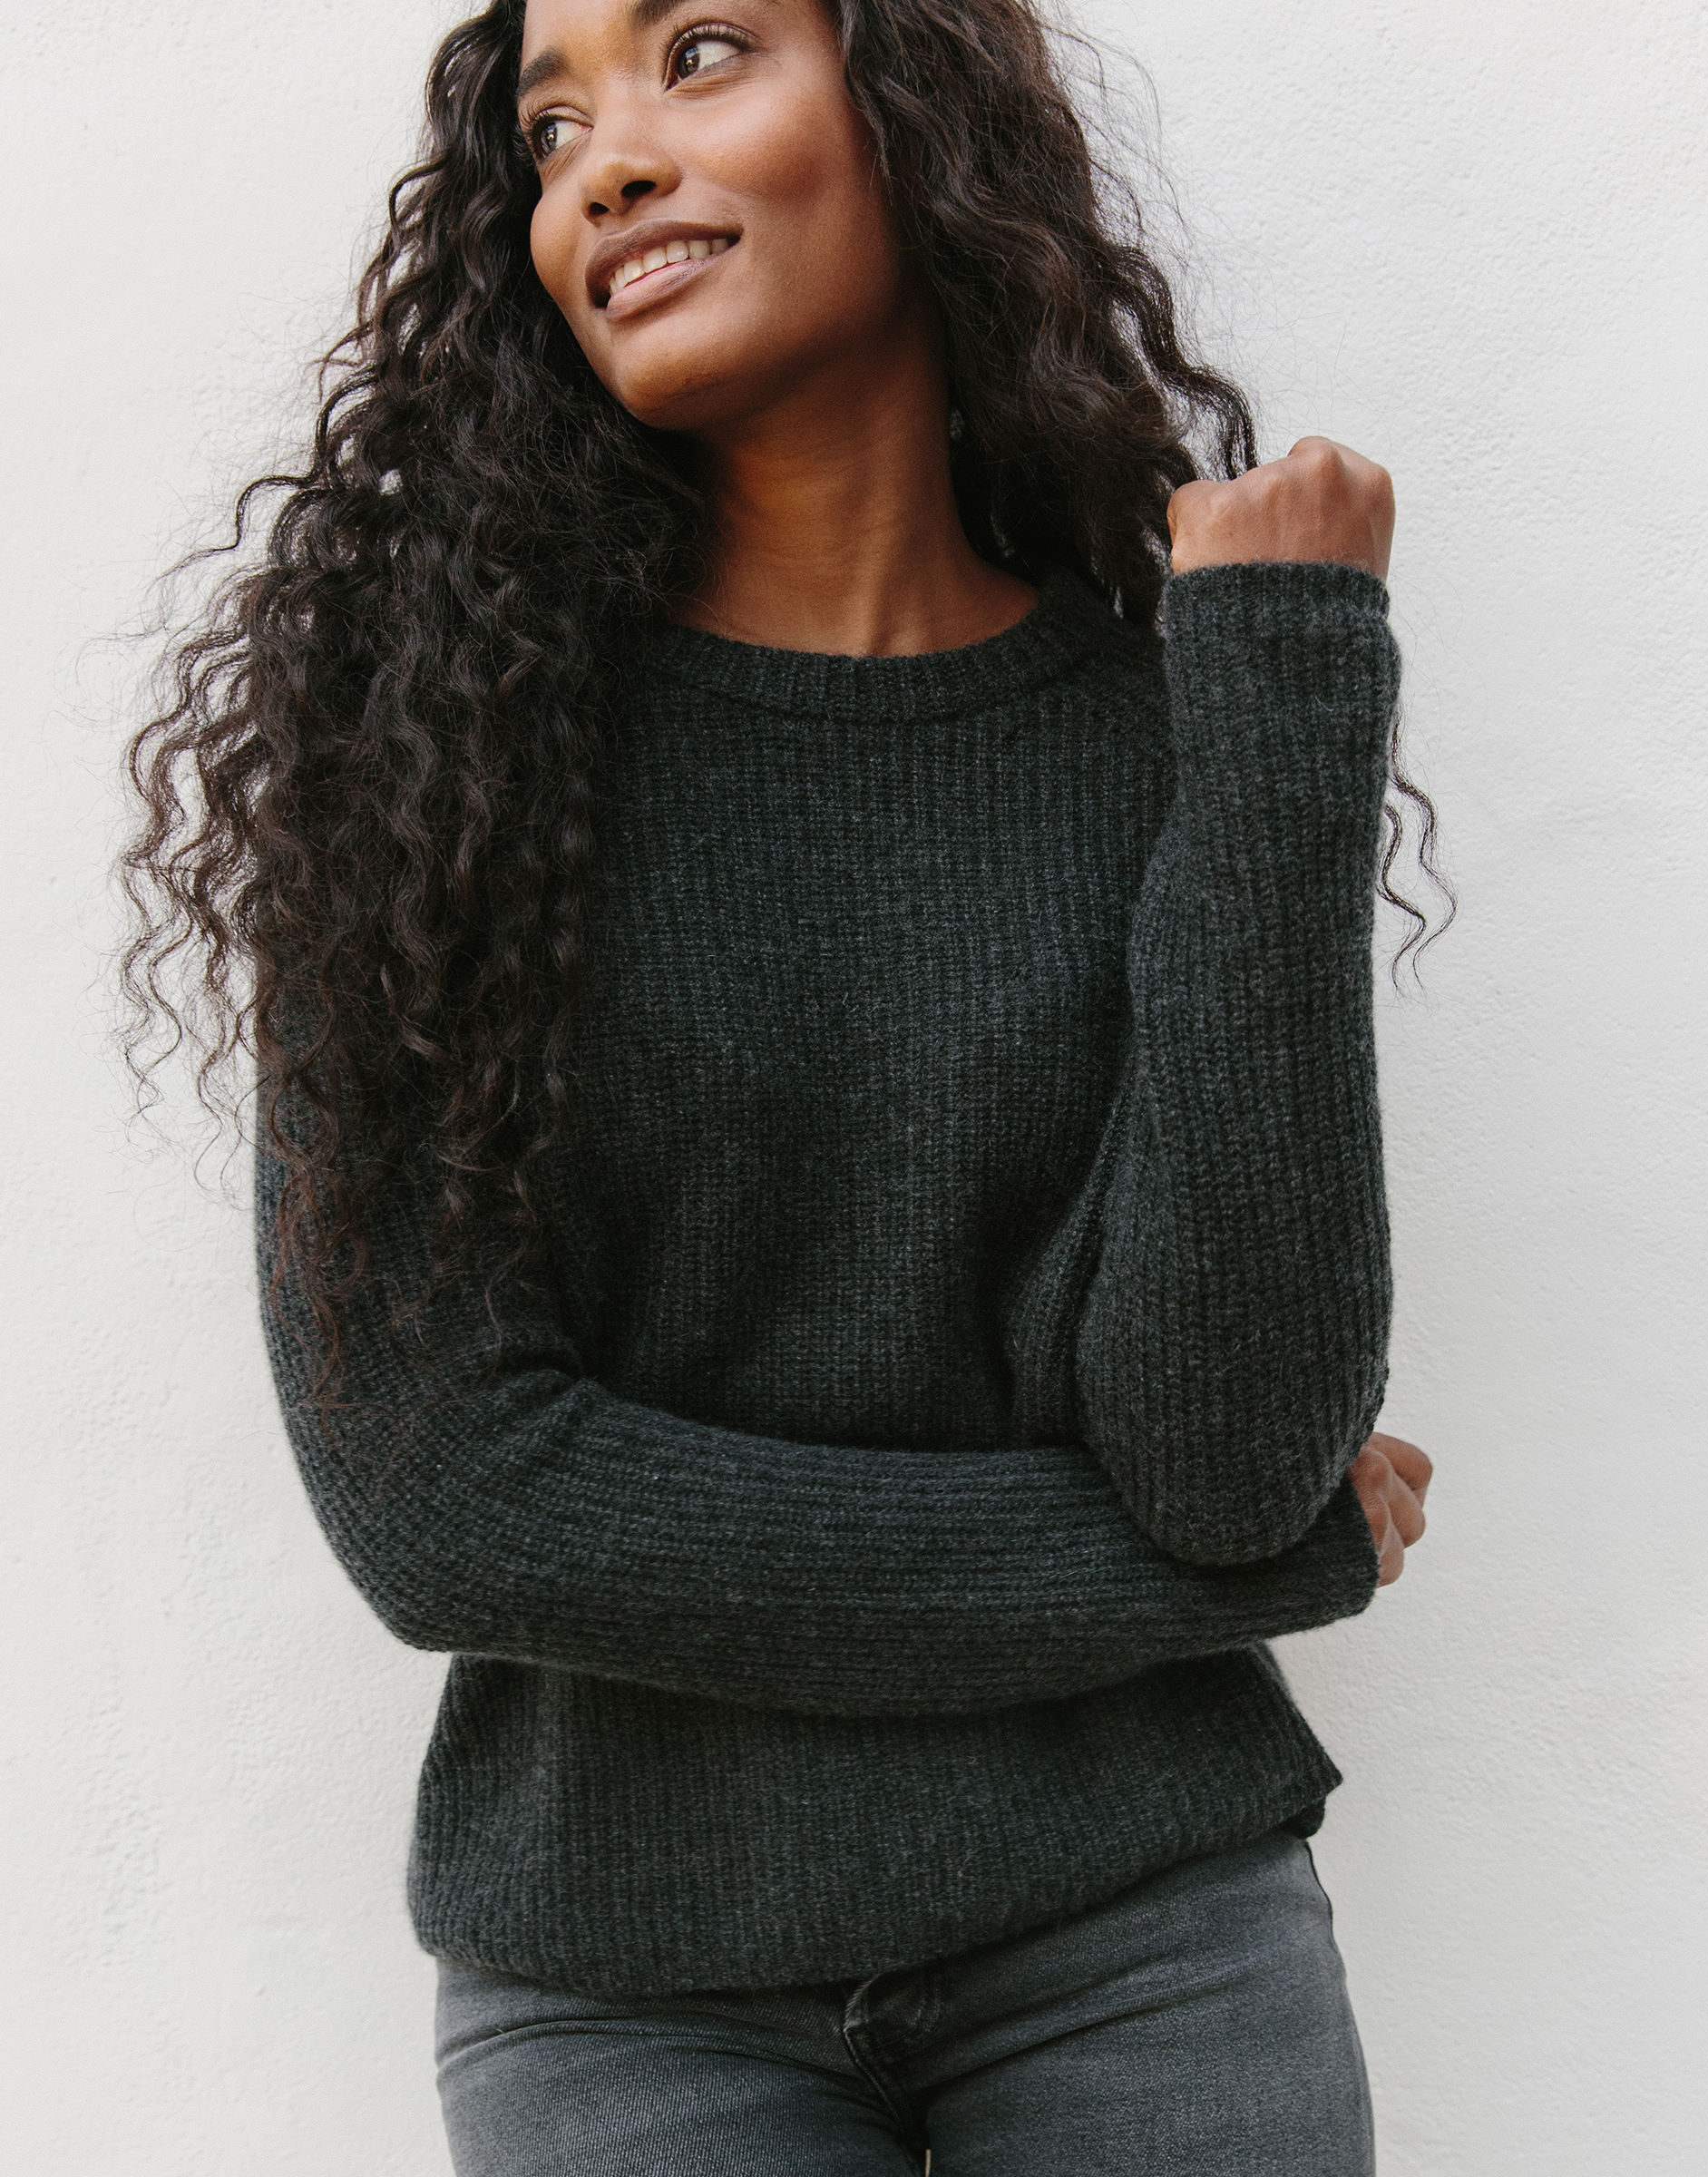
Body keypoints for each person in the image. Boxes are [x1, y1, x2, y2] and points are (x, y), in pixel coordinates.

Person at [123, 0, 1439, 2168]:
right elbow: (453, 1507)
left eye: (701, 51)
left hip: (1151, 1941)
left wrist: (1287, 681)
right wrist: (1233, 1577)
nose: (608, 161)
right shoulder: (429, 775)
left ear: (918, 113)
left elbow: (1222, 1456)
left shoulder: (1160, 733)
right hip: (624, 2003)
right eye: (552, 125)